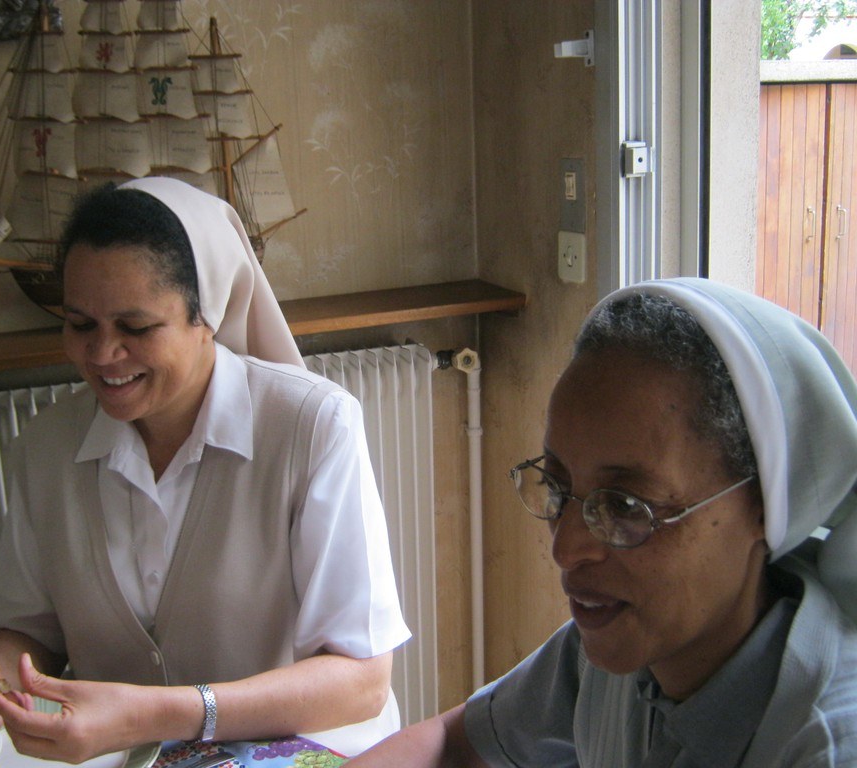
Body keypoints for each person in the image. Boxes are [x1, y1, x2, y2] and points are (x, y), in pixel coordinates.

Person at [0, 177, 411, 761]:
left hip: (288, 746)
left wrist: (155, 714)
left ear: (208, 316)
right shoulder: (46, 447)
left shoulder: (313, 426)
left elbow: (361, 681)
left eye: (136, 327)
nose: (102, 354)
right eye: (80, 324)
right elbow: (30, 631)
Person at [348, 277, 857, 767]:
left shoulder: (826, 748)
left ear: (763, 504)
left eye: (627, 506)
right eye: (557, 487)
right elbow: (453, 745)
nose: (566, 550)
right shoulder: (613, 654)